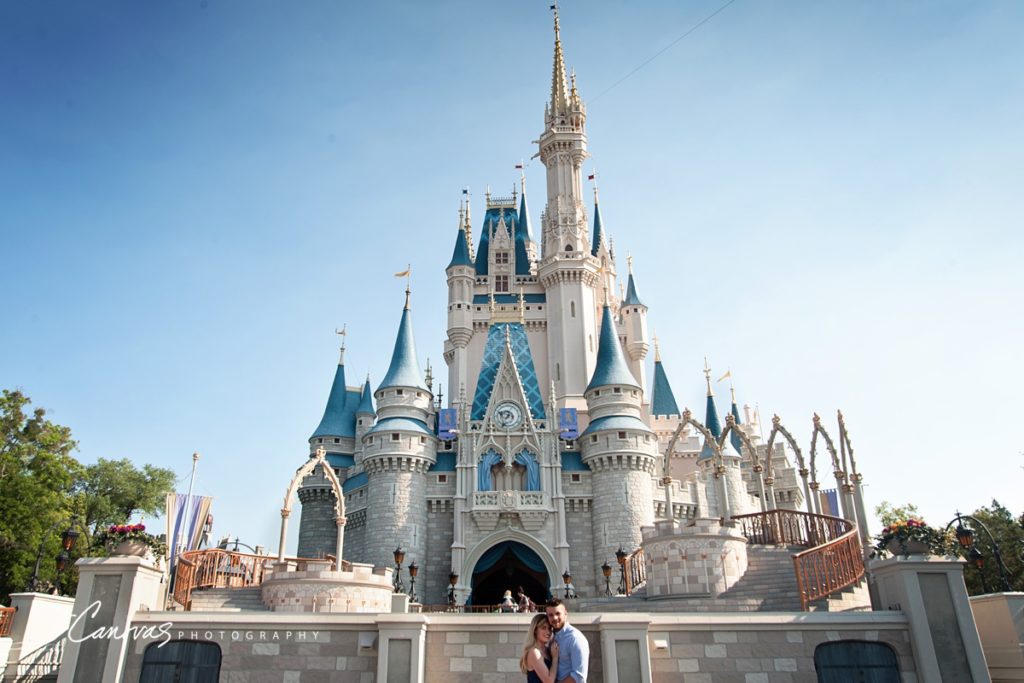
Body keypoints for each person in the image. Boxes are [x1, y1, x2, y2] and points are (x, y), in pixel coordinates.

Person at [546, 598, 588, 683]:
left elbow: (579, 676)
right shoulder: (550, 636)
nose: (554, 618)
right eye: (550, 615)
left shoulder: (575, 639)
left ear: (565, 613)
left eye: (558, 613)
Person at [520, 613, 560, 683]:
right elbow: (549, 681)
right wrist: (555, 658)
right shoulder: (534, 652)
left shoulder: (548, 650)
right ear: (535, 630)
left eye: (550, 628)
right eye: (543, 628)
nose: (548, 632)